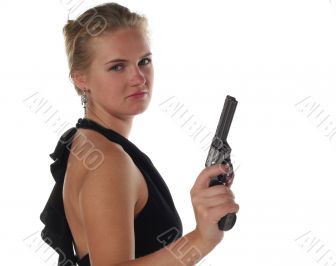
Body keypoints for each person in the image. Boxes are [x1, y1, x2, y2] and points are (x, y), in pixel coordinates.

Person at [39, 2, 239, 266]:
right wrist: (202, 238)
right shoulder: (108, 160)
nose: (139, 77)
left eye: (144, 61)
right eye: (117, 67)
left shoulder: (90, 144)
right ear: (80, 79)